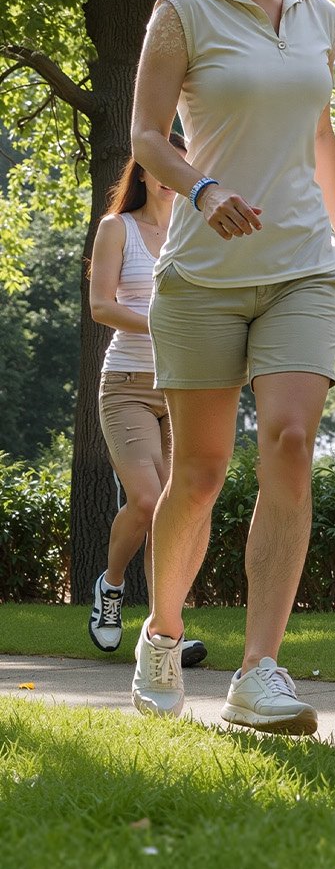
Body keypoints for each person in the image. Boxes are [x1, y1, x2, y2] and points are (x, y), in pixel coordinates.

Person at [127, 0, 335, 734]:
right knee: (198, 473)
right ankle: (163, 632)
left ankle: (259, 671)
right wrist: (204, 185)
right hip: (203, 272)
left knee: (294, 442)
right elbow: (147, 137)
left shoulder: (319, 14)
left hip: (300, 265)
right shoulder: (182, 9)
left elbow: (317, 131)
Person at [85, 140, 205, 668]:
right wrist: (163, 323)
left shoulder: (196, 231)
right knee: (146, 501)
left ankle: (165, 632)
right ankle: (110, 588)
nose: (166, 178)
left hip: (184, 385)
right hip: (128, 384)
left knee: (177, 509)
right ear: (143, 172)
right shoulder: (119, 229)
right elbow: (100, 306)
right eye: (157, 168)